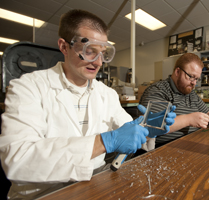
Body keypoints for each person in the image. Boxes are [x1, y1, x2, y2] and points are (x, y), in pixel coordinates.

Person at [0, 9, 175, 199]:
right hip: (43, 193)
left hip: (96, 186)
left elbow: (127, 130)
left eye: (103, 53)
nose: (98, 62)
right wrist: (104, 142)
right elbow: (17, 160)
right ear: (64, 47)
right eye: (89, 51)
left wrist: (147, 129)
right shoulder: (27, 88)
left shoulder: (107, 94)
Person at [139, 53, 209, 149]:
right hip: (166, 149)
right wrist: (188, 119)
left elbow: (208, 115)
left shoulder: (191, 93)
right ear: (178, 72)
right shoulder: (158, 90)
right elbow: (151, 126)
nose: (194, 83)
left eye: (197, 79)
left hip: (193, 144)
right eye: (191, 76)